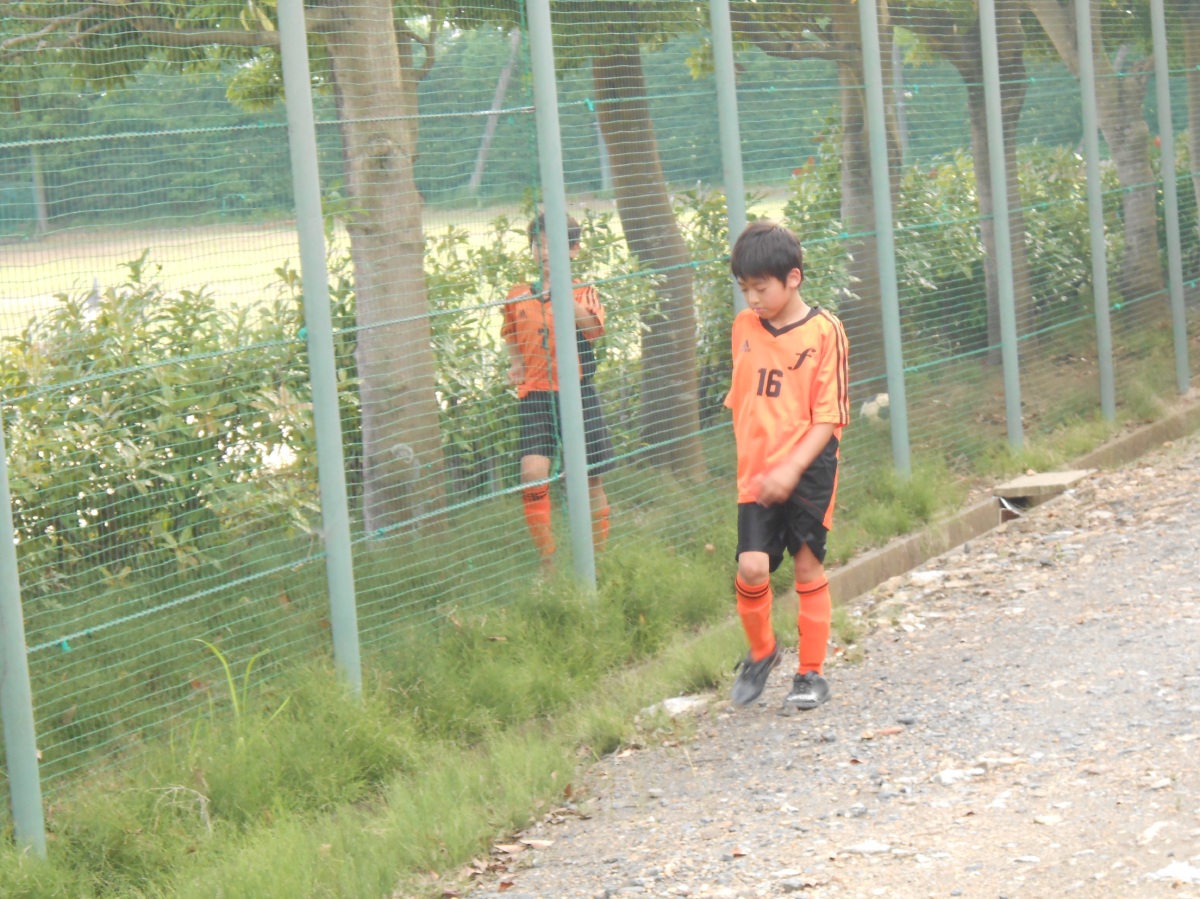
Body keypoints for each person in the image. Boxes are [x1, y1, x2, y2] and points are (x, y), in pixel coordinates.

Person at [723, 220, 850, 710]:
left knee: (806, 563)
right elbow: (744, 401)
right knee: (752, 567)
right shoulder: (743, 328)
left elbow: (828, 418)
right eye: (744, 289)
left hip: (810, 467)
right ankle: (763, 651)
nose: (752, 298)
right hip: (758, 472)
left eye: (761, 287)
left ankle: (811, 673)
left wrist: (792, 468)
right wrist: (758, 459)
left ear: (793, 278)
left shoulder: (825, 331)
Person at [501, 213, 615, 570]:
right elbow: (510, 333)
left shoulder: (583, 290)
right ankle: (548, 562)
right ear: (532, 249)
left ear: (574, 250)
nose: (546, 252)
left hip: (578, 394)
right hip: (535, 395)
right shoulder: (517, 294)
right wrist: (516, 363)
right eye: (540, 245)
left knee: (589, 477)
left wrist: (563, 292)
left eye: (556, 246)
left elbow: (594, 330)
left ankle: (597, 561)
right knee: (532, 474)